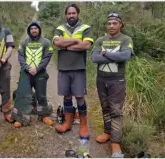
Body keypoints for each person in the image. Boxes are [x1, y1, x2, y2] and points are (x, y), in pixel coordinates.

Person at [92, 13, 134, 157]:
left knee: (115, 110)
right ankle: (107, 132)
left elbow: (124, 56)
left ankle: (116, 143)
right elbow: (94, 58)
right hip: (101, 79)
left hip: (117, 80)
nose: (111, 26)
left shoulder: (126, 39)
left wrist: (104, 54)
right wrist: (110, 57)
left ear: (120, 25)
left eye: (114, 23)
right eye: (109, 23)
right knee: (105, 108)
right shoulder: (100, 40)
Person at [53, 4, 94, 138]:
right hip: (63, 68)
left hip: (78, 68)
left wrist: (67, 45)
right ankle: (67, 123)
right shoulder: (60, 28)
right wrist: (76, 41)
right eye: (69, 13)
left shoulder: (85, 28)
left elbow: (86, 45)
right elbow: (57, 43)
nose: (71, 15)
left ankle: (83, 126)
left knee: (80, 97)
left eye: (73, 13)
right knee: (66, 96)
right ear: (66, 15)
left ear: (78, 14)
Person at [11, 21, 54, 128]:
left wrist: (38, 69)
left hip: (40, 73)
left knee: (41, 95)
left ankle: (43, 115)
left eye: (36, 28)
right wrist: (27, 68)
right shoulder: (24, 42)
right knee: (23, 95)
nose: (34, 30)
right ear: (29, 30)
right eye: (32, 29)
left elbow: (47, 57)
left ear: (39, 29)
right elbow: (20, 57)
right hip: (26, 73)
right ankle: (21, 118)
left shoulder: (46, 42)